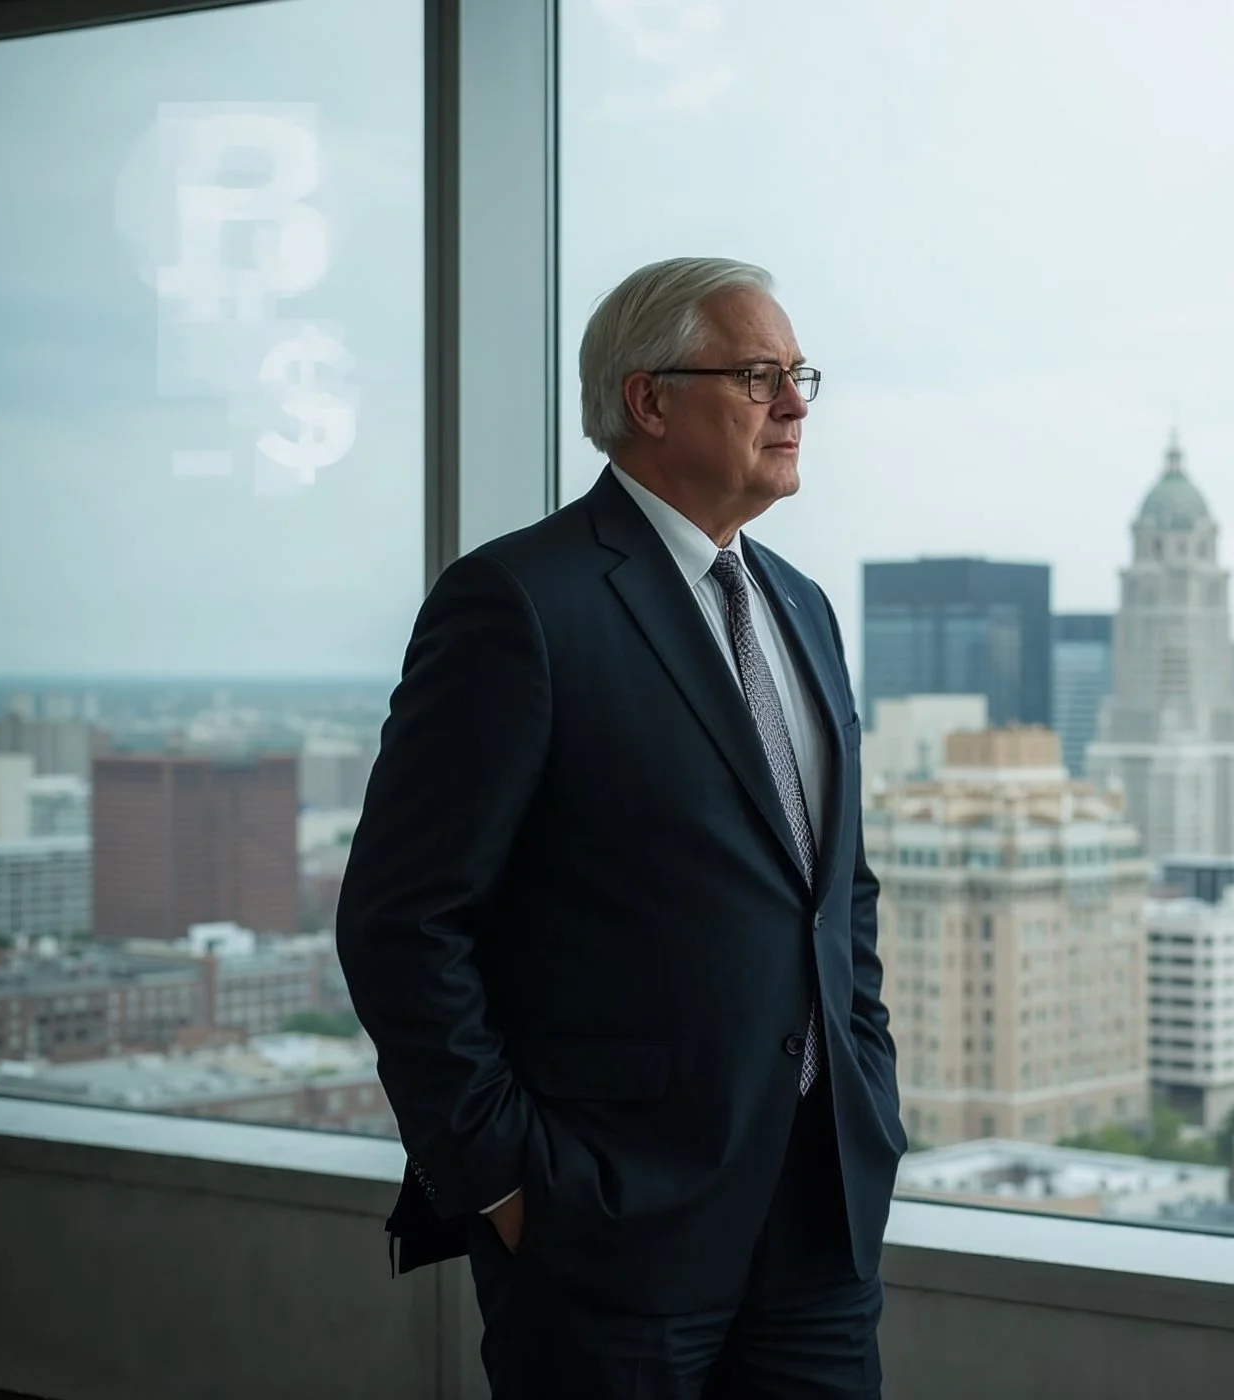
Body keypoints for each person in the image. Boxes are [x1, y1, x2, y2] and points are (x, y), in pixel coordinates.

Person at [337, 257, 903, 1399]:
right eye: (757, 375)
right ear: (648, 401)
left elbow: (834, 892)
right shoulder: (519, 603)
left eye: (799, 375)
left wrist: (868, 1094)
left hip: (816, 1224)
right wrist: (504, 1180)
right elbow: (402, 920)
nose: (795, 401)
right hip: (607, 1227)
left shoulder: (804, 605)